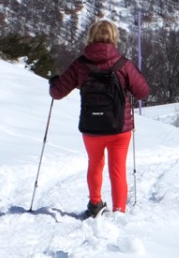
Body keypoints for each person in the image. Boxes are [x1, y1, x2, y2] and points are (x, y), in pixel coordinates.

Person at [50, 18, 150, 218]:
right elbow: (143, 93)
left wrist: (53, 81)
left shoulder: (80, 64)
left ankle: (95, 205)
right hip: (119, 127)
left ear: (91, 37)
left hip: (91, 127)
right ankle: (119, 210)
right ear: (114, 37)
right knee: (118, 169)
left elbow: (57, 93)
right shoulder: (123, 64)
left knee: (95, 164)